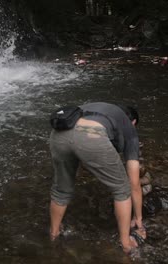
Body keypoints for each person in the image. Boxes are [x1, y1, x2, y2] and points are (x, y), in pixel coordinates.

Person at [49, 102, 145, 253]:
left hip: (58, 133)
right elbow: (134, 183)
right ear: (133, 123)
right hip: (91, 135)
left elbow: (77, 140)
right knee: (122, 188)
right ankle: (126, 243)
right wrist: (138, 219)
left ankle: (54, 233)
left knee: (62, 188)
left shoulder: (102, 108)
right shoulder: (129, 128)